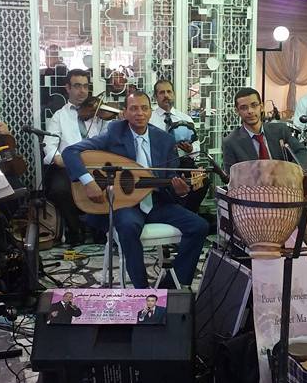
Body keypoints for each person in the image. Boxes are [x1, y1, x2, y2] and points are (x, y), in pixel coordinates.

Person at [63, 91, 208, 289]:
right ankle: (141, 292)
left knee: (199, 226)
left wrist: (181, 191)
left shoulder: (164, 140)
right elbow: (70, 152)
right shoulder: (114, 133)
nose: (139, 113)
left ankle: (173, 287)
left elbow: (169, 184)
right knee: (129, 227)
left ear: (150, 113)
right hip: (125, 206)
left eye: (144, 108)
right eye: (133, 108)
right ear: (124, 113)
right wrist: (88, 181)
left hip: (157, 203)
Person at [42, 69, 106, 245]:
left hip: (96, 165)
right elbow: (49, 144)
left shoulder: (99, 114)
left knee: (109, 184)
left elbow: (112, 137)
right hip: (68, 166)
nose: (82, 91)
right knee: (59, 190)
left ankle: (100, 229)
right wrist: (57, 158)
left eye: (86, 86)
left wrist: (118, 117)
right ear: (67, 88)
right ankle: (75, 230)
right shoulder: (59, 116)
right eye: (77, 86)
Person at [222, 88, 307, 176]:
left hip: (284, 185)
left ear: (261, 107)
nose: (250, 111)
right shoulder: (231, 142)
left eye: (254, 105)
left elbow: (303, 153)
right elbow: (232, 177)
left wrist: (289, 173)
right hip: (253, 188)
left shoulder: (280, 131)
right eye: (244, 108)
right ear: (237, 111)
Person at [149, 79, 207, 212]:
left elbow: (196, 146)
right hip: (159, 167)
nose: (166, 95)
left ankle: (189, 212)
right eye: (162, 92)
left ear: (174, 94)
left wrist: (191, 149)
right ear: (155, 96)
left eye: (169, 92)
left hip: (184, 165)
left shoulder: (185, 118)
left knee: (202, 181)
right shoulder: (149, 119)